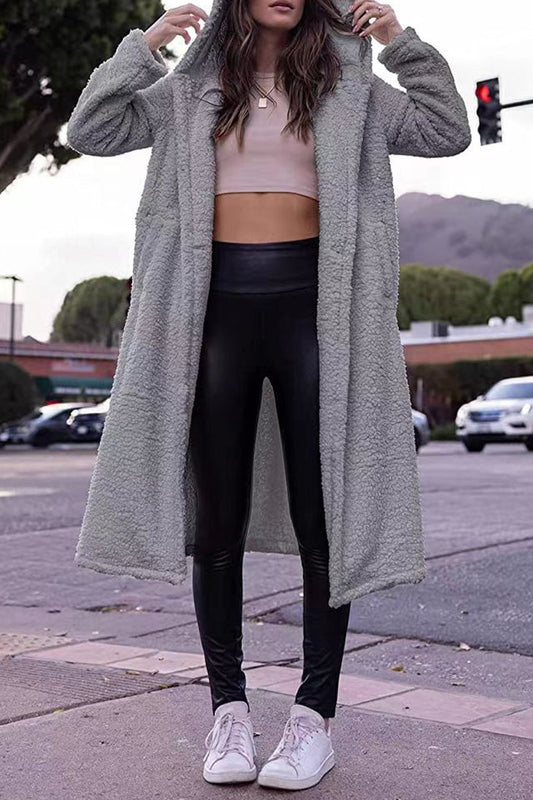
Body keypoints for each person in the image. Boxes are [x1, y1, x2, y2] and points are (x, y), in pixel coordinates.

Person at [67, 0, 471, 791]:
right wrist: (143, 47)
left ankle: (312, 719)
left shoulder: (351, 90)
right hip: (210, 308)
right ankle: (227, 710)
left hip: (316, 309)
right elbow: (93, 130)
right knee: (216, 522)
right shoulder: (188, 91)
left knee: (326, 516)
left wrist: (398, 42)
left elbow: (445, 129)